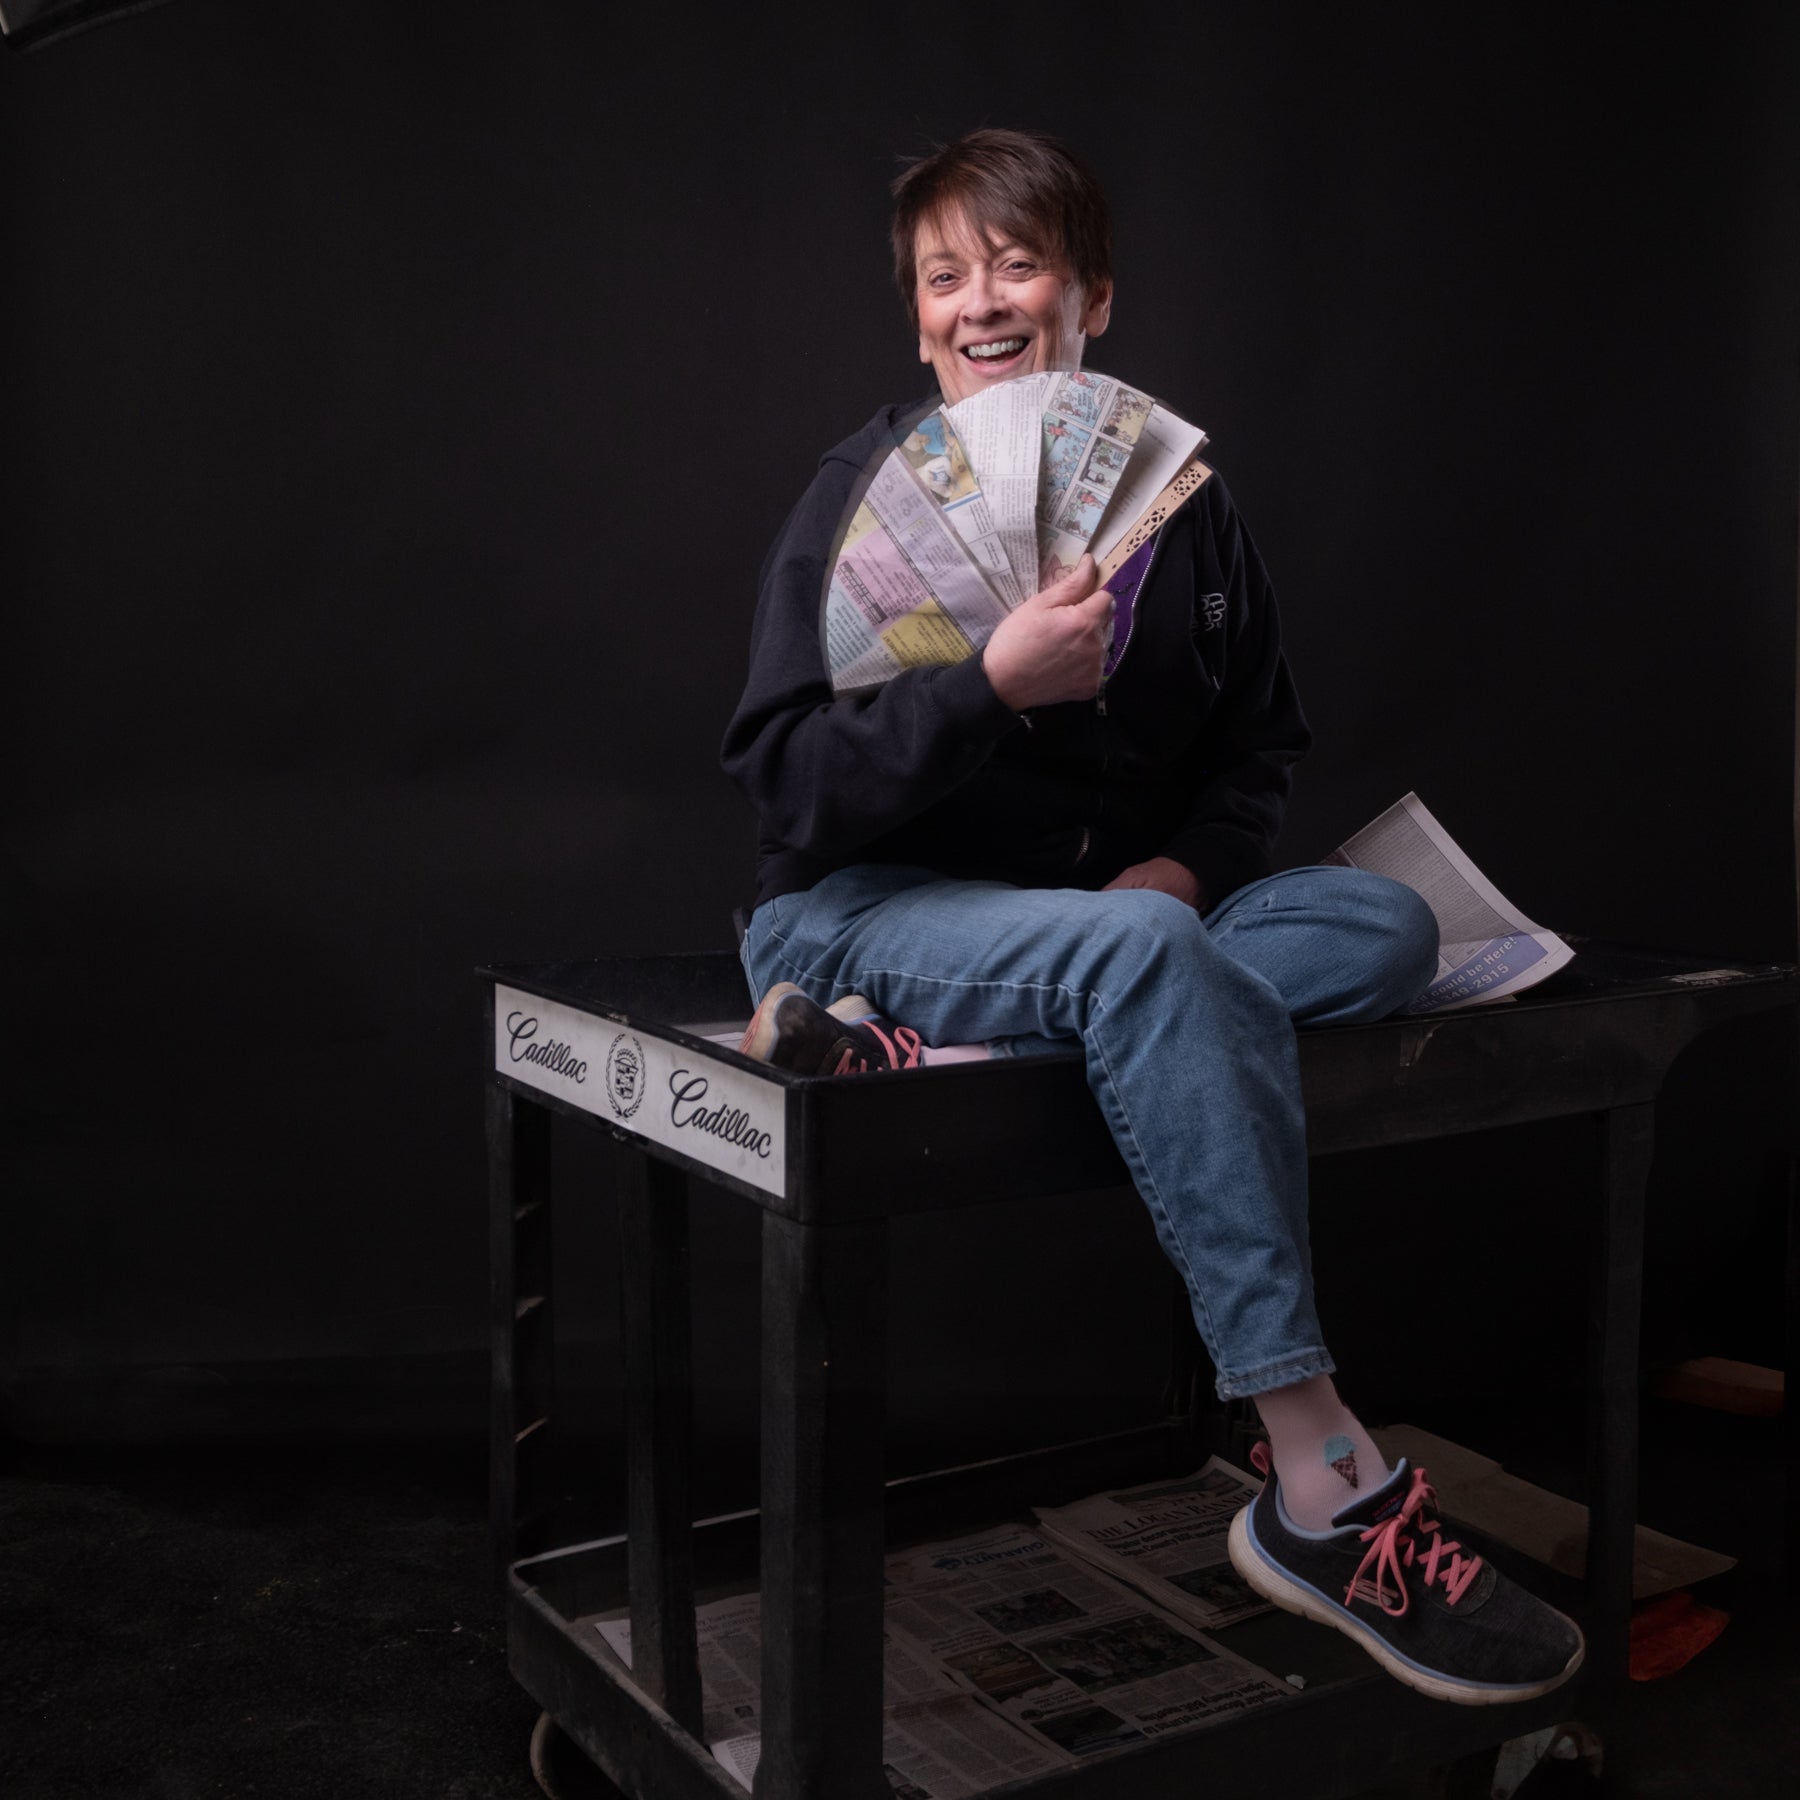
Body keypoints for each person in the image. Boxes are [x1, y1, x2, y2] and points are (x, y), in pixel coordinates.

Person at [720, 127, 1582, 1705]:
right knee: (1142, 962)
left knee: (1381, 930)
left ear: (1090, 297)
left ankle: (981, 1028)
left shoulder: (1183, 508)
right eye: (944, 275)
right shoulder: (866, 495)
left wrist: (1182, 874)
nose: (981, 299)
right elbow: (783, 784)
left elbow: (1260, 749)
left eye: (1018, 262)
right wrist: (987, 689)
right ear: (918, 319)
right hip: (859, 914)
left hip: (1101, 918)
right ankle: (1320, 1475)